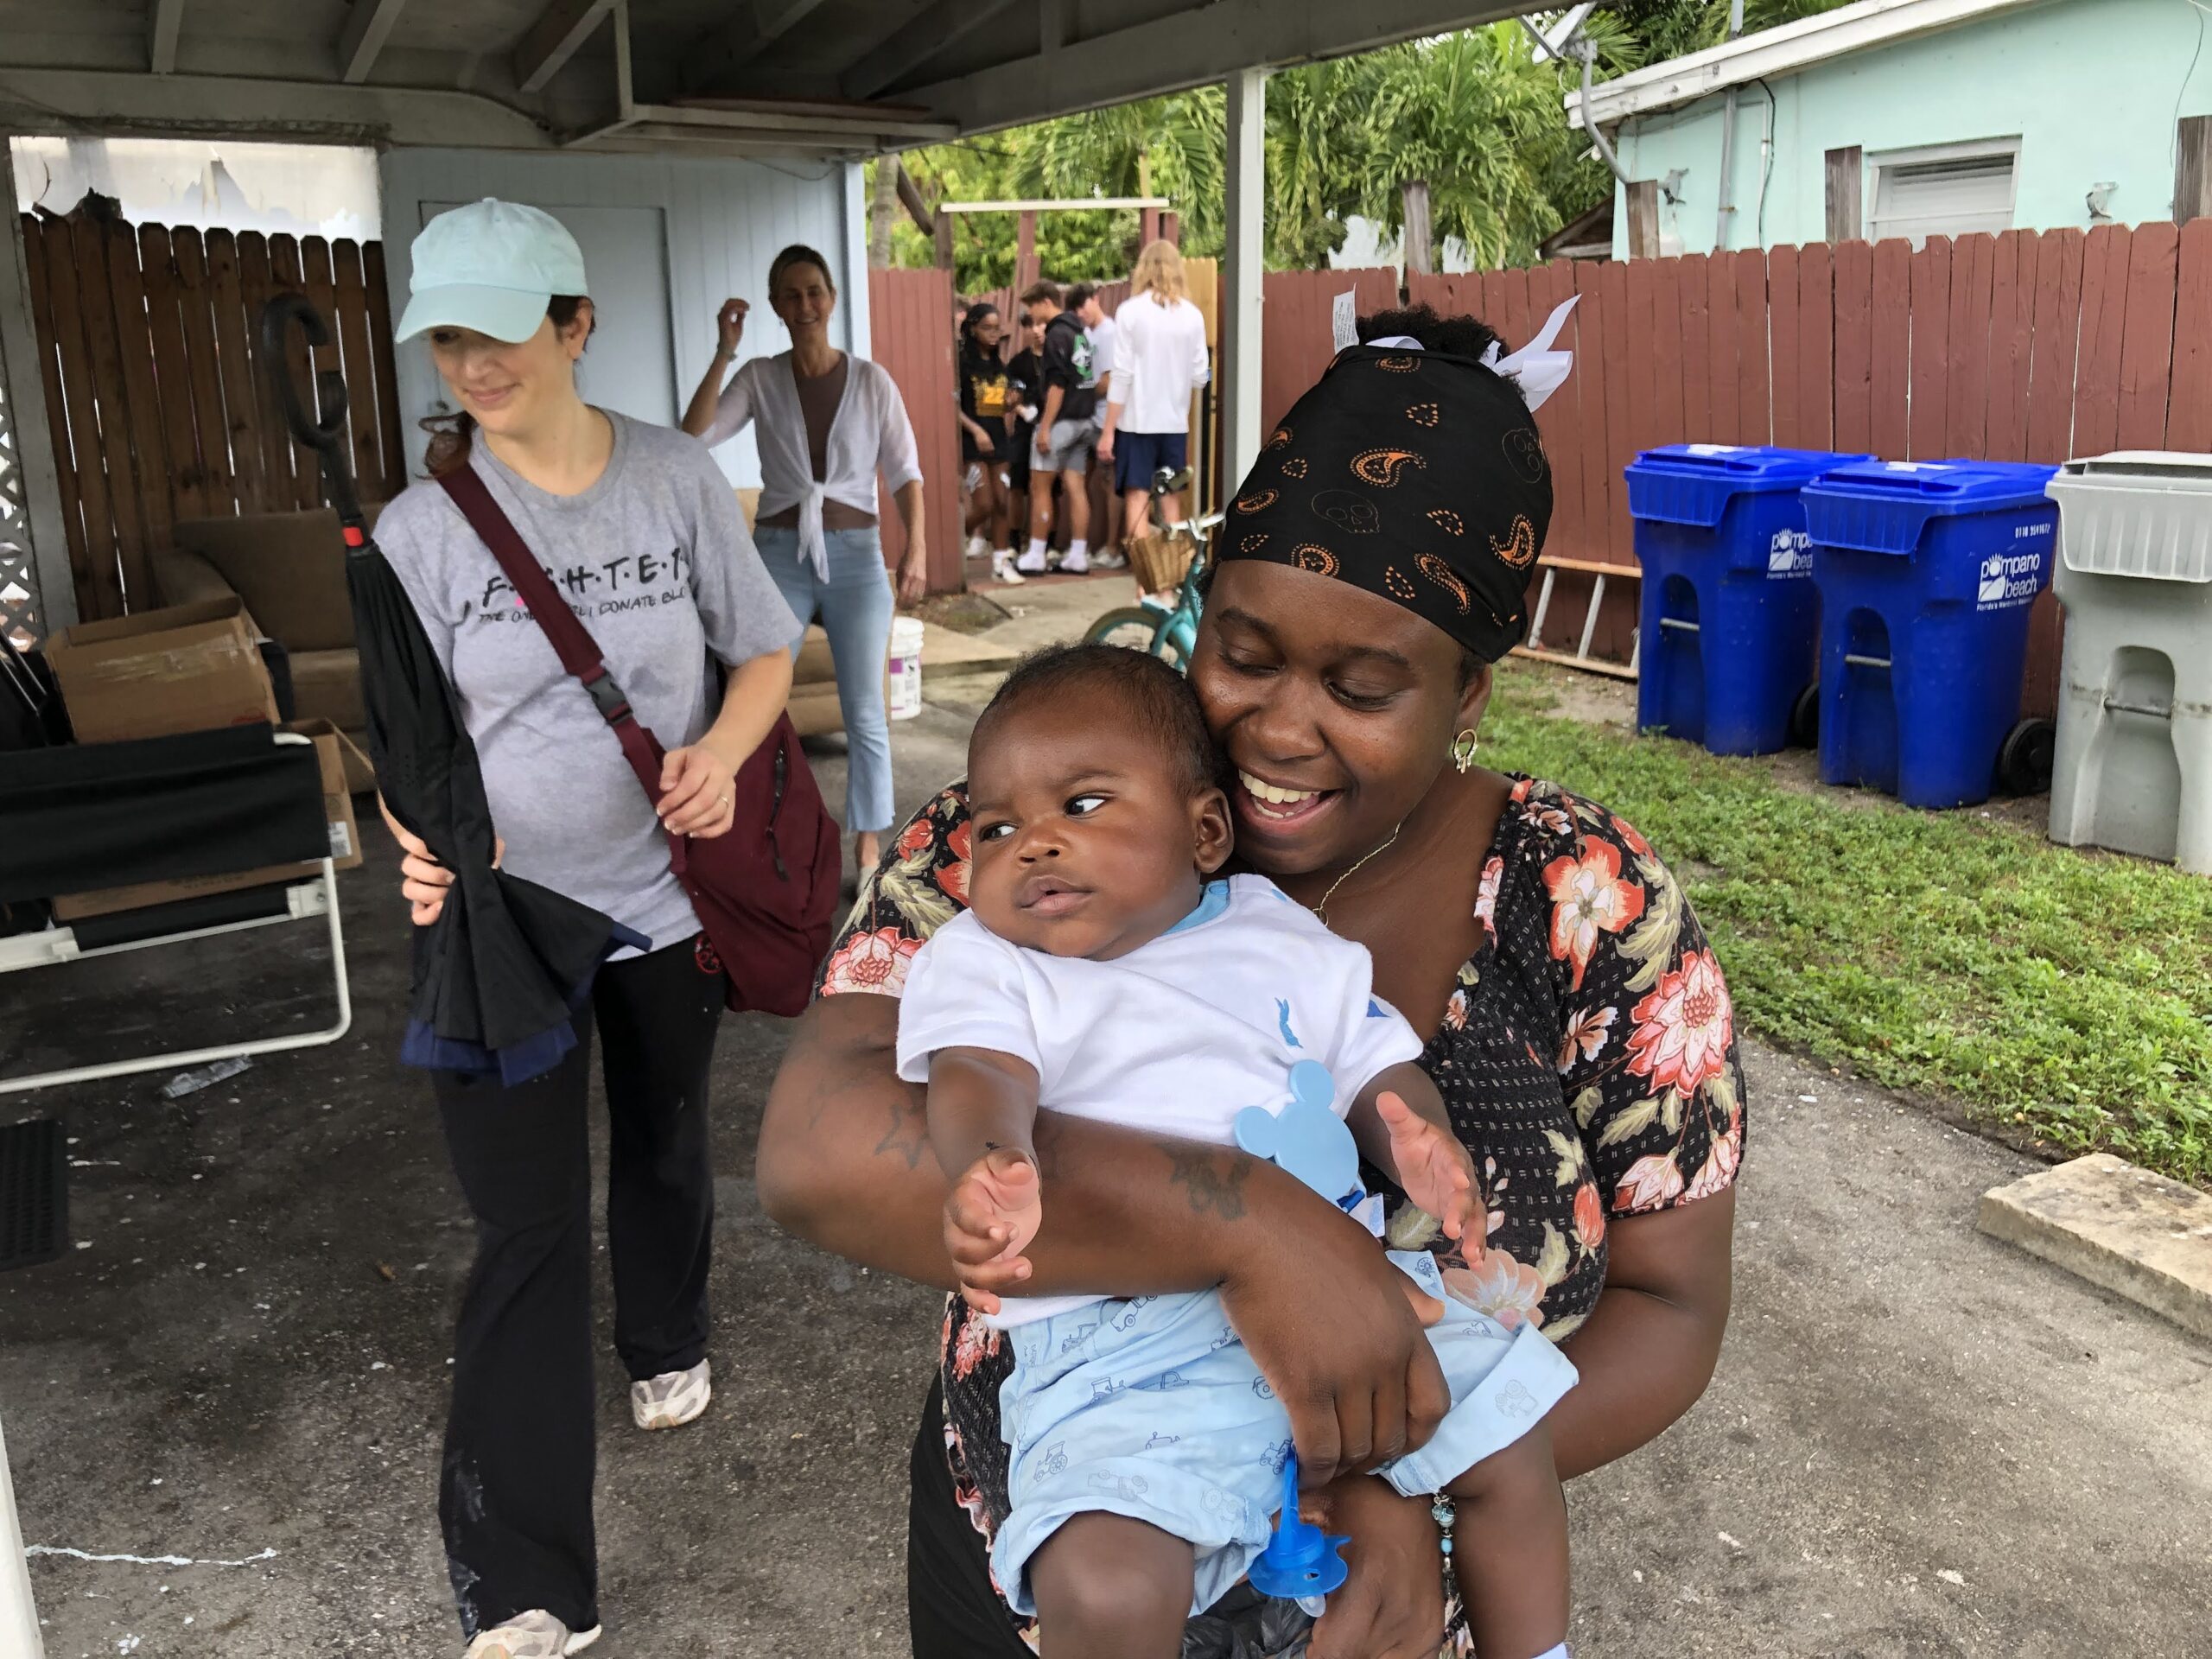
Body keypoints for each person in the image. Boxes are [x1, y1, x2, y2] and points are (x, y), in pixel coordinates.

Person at [760, 302, 1745, 1657]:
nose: (1281, 729)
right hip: (1063, 1546)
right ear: (1199, 614)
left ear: (1467, 694)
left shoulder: (1587, 907)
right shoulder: (1024, 834)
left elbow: (1671, 1307)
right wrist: (1251, 1226)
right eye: (1245, 653)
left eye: (1365, 685)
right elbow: (816, 1153)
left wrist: (1408, 1477)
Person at [906, 645, 1577, 1659]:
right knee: (1105, 1580)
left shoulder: (1277, 936)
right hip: (1120, 1347)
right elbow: (975, 1075)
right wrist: (991, 1160)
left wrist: (1415, 1133)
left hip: (1353, 1310)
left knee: (1511, 1441)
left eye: (1083, 806)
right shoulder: (991, 961)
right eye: (997, 828)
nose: (1034, 844)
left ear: (1205, 831)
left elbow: (1368, 1061)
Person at [376, 197, 801, 1659]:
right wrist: (416, 843)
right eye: (449, 338)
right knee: (528, 1228)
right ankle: (526, 1580)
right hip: (505, 924)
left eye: (501, 332)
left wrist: (723, 755)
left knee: (666, 1138)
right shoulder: (421, 533)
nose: (473, 364)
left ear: (576, 326)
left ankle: (666, 1338)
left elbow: (764, 648)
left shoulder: (674, 477)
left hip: (667, 901)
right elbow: (406, 742)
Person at [682, 244, 925, 875]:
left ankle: (867, 841)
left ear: (832, 299)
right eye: (791, 295)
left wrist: (917, 546)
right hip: (779, 558)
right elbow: (695, 435)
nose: (805, 304)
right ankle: (758, 835)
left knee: (865, 711)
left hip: (857, 558)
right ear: (776, 306)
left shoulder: (871, 381)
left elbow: (905, 471)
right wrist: (724, 350)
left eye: (814, 291)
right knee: (756, 704)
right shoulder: (760, 377)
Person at [1098, 240, 1211, 542]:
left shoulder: (1130, 312)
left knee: (1137, 498)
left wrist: (1108, 431)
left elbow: (1122, 375)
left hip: (1136, 423)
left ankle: (1142, 573)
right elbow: (1200, 377)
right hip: (1174, 424)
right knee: (1171, 497)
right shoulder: (1192, 315)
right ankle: (1169, 571)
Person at [1018, 280, 1097, 575]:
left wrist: (1045, 428)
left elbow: (1057, 384)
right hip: (1084, 420)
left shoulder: (1056, 334)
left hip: (1061, 422)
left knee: (1040, 486)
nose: (1032, 315)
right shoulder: (1080, 332)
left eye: (1032, 307)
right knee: (1076, 487)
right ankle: (1078, 555)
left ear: (1046, 302)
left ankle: (1036, 554)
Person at [1066, 281, 1127, 569]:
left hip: (1106, 419)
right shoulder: (1088, 335)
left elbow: (1108, 380)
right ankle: (1086, 545)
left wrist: (1078, 395)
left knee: (1110, 482)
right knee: (1087, 480)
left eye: (1083, 305)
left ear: (1096, 299)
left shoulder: (1111, 332)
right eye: (1076, 309)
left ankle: (1112, 548)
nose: (1081, 312)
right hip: (1090, 418)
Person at [954, 302, 1015, 575]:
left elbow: (997, 405)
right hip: (973, 441)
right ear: (973, 329)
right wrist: (976, 431)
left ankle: (1001, 562)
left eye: (997, 328)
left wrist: (1010, 403)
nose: (993, 333)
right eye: (986, 328)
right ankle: (951, 539)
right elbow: (952, 406)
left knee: (1002, 502)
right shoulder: (962, 363)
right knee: (984, 504)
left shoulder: (998, 364)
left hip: (999, 438)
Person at [999, 316, 1046, 585]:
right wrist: (1021, 409)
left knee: (1048, 487)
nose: (1037, 331)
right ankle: (1015, 539)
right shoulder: (1018, 362)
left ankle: (1048, 543)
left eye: (1041, 325)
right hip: (1024, 428)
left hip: (1049, 428)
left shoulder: (1055, 357)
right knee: (1016, 484)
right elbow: (1008, 395)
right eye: (1031, 326)